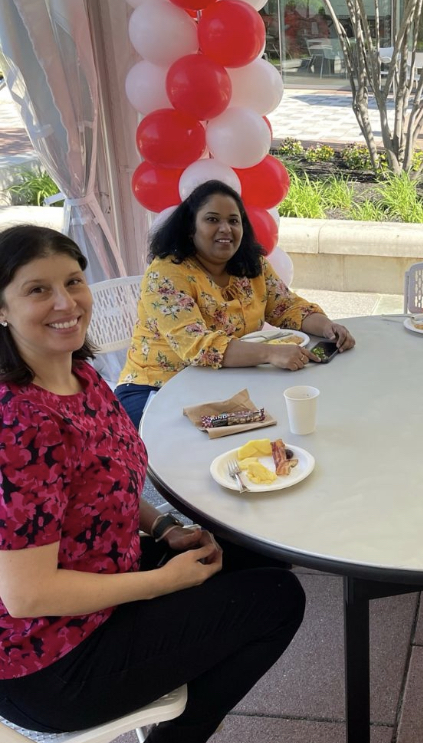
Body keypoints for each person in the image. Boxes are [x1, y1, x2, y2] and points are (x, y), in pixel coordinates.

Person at [0, 225, 305, 741]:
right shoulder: (20, 425)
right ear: (2, 309)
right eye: (37, 289)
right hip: (51, 662)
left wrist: (164, 527)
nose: (65, 302)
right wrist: (165, 581)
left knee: (257, 555)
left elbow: (104, 484)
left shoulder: (83, 377)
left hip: (102, 589)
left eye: (73, 281)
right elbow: (27, 596)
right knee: (277, 600)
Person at [115, 180, 354, 428]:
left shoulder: (252, 264)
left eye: (233, 220)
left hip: (225, 382)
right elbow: (197, 346)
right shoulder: (166, 274)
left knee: (285, 421)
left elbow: (287, 307)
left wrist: (327, 327)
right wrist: (271, 353)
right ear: (190, 228)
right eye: (212, 219)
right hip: (156, 388)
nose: (225, 229)